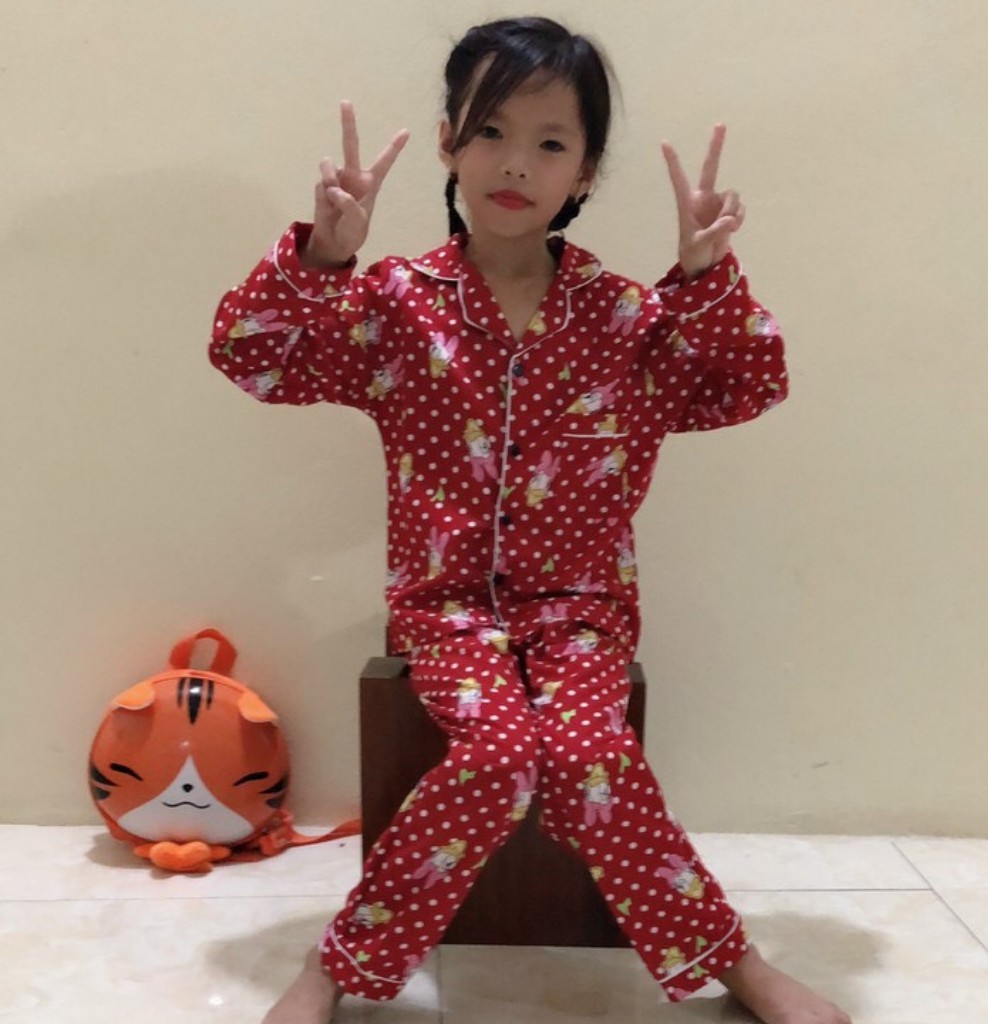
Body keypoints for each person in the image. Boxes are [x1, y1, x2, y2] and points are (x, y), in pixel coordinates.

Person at [209, 16, 851, 1024]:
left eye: (550, 142)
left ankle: (735, 965)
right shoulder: (395, 306)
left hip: (583, 612)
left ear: (584, 170)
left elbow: (750, 383)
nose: (516, 164)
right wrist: (325, 256)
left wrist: (702, 279)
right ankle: (335, 968)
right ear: (448, 144)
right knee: (500, 756)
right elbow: (250, 355)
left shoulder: (628, 319)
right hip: (447, 612)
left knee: (591, 758)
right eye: (491, 132)